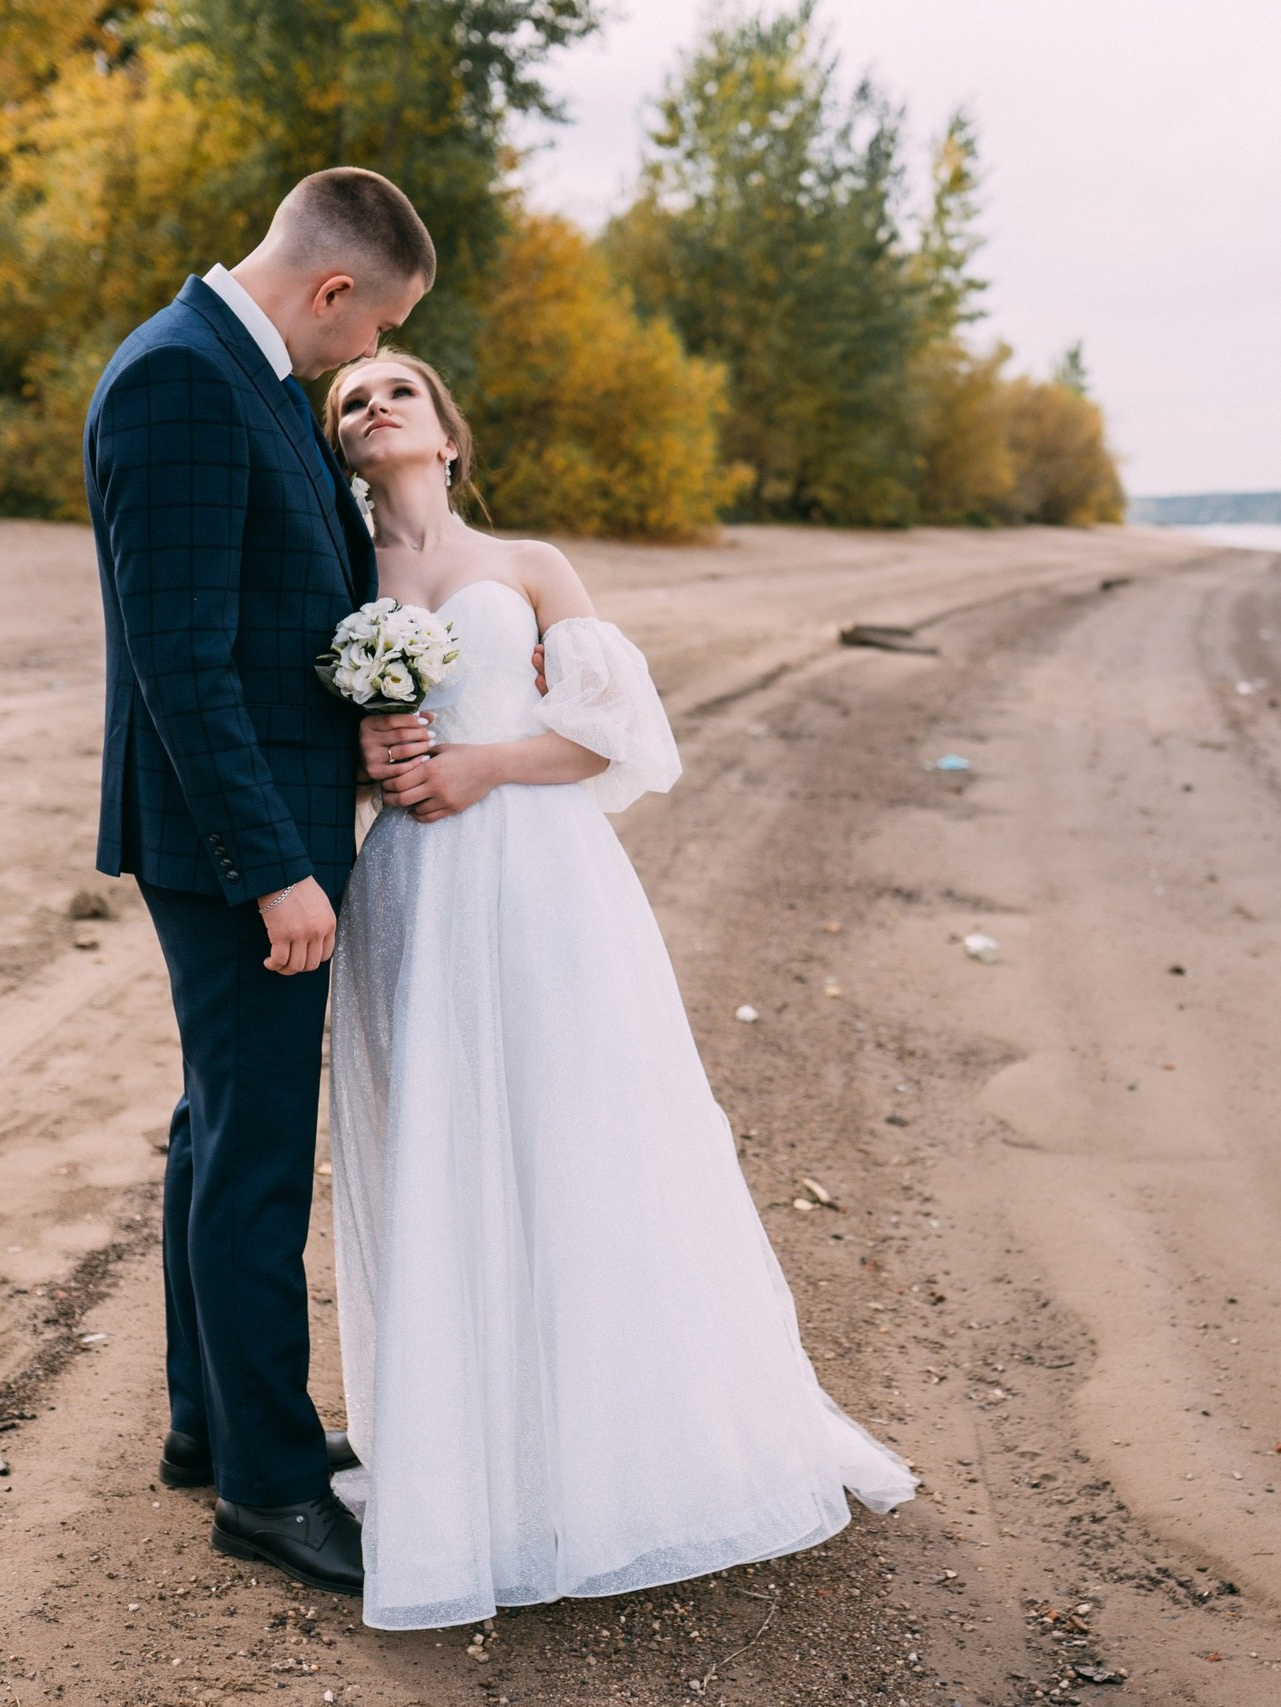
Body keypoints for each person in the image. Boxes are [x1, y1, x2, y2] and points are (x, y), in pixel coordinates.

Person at [320, 350, 916, 1630]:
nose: (374, 410)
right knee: (439, 1150)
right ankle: (469, 1468)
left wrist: (477, 768)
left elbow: (614, 734)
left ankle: (609, 1461)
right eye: (350, 403)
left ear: (447, 432)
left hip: (537, 878)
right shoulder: (335, 576)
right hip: (408, 895)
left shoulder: (530, 564)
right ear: (343, 447)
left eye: (397, 394)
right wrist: (367, 754)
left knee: (573, 1137)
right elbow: (320, 748)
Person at [85, 167, 434, 1597]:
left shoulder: (247, 370)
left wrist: (358, 724)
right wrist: (276, 869)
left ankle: (206, 1422)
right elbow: (180, 658)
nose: (364, 359)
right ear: (333, 288)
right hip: (236, 847)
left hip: (273, 814)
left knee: (218, 1123)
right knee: (257, 1153)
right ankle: (270, 1485)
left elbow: (267, 607)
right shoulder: (180, 377)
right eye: (373, 328)